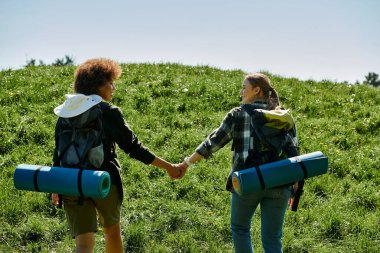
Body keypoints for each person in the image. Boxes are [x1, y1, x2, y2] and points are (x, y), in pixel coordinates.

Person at [51, 58, 182, 253]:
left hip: (71, 181)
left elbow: (58, 151)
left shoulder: (66, 112)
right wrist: (169, 167)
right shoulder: (108, 112)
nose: (113, 87)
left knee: (83, 244)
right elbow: (134, 148)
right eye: (110, 82)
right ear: (97, 85)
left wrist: (56, 185)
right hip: (103, 181)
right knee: (112, 232)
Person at [178, 73, 292, 253]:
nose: (241, 92)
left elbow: (212, 144)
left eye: (244, 88)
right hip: (280, 182)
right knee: (272, 239)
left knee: (240, 229)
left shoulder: (237, 115)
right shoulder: (283, 116)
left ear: (256, 90)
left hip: (248, 181)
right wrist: (295, 184)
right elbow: (294, 151)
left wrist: (185, 164)